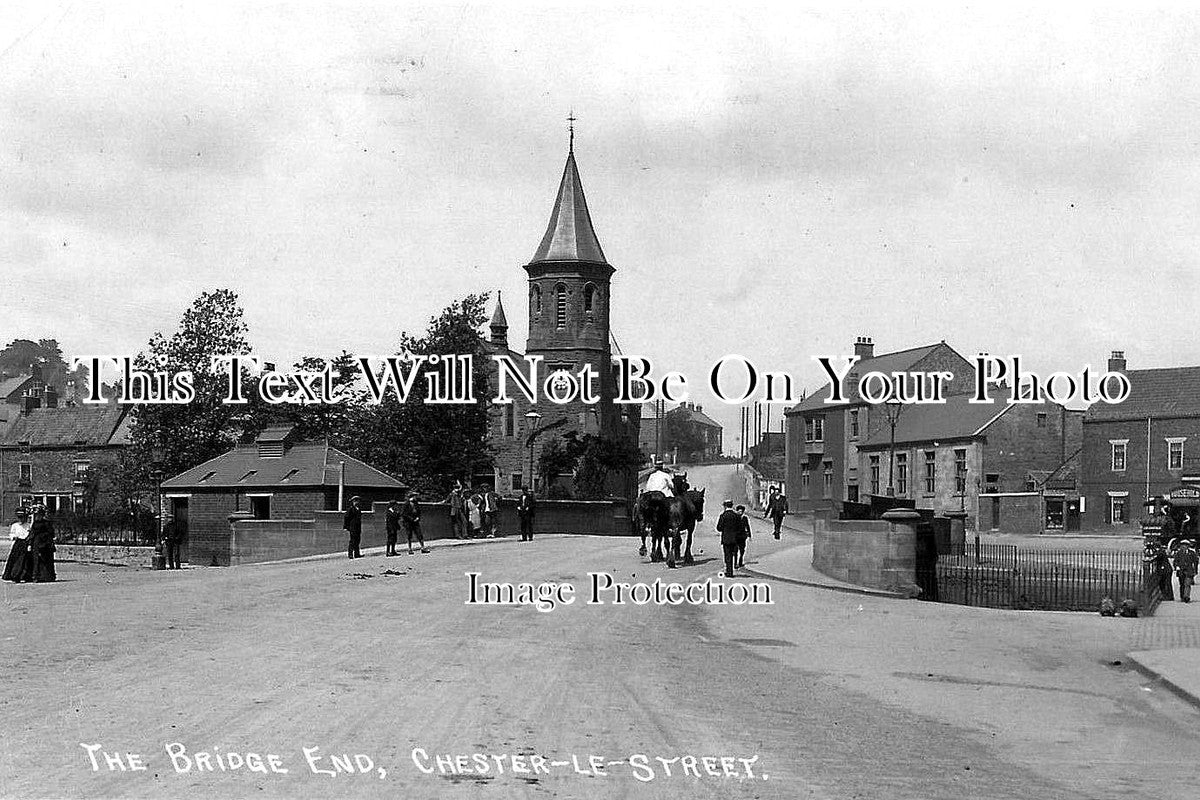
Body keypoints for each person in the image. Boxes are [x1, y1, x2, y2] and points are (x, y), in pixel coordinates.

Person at [26, 505, 56, 582]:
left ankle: (47, 576)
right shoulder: (35, 523)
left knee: (46, 559)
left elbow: (51, 533)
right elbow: (32, 533)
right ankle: (36, 576)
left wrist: (46, 540)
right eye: (37, 515)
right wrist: (29, 543)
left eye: (39, 515)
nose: (37, 516)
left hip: (45, 543)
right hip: (36, 543)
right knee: (36, 560)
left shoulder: (47, 523)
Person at [2, 508, 31, 582]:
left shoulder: (28, 525)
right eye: (19, 517)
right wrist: (13, 537)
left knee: (24, 560)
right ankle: (12, 574)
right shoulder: (15, 525)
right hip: (17, 544)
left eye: (22, 517)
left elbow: (29, 534)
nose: (21, 519)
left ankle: (22, 575)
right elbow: (12, 533)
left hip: (25, 543)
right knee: (14, 559)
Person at [715, 500, 741, 579]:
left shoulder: (723, 515)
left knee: (727, 555)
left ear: (725, 506)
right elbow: (739, 527)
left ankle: (729, 571)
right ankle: (731, 571)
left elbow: (719, 528)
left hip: (726, 539)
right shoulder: (736, 515)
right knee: (733, 554)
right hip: (735, 539)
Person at [1175, 539, 1198, 603]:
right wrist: (1177, 566)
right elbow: (1175, 561)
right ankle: (1182, 596)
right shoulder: (1178, 553)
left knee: (1187, 584)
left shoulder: (1192, 553)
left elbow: (1196, 561)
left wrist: (1195, 570)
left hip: (1189, 571)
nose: (1184, 546)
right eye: (1182, 545)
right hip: (1181, 571)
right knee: (1182, 584)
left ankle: (1186, 597)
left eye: (1185, 545)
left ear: (1188, 546)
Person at [735, 504, 752, 568]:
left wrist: (749, 535)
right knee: (735, 550)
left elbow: (747, 526)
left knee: (742, 550)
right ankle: (735, 563)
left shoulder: (745, 518)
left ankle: (740, 561)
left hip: (742, 536)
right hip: (736, 536)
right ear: (737, 511)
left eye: (741, 511)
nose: (740, 513)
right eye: (739, 511)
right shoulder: (735, 518)